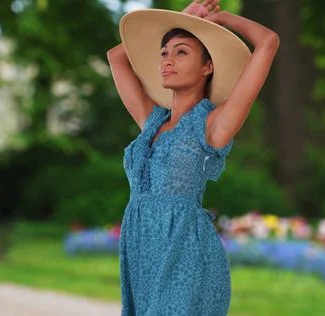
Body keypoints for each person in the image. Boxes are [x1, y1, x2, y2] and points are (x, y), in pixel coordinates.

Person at [107, 0, 278, 315]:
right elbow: (116, 58)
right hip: (141, 251)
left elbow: (268, 42)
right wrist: (181, 18)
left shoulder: (213, 125)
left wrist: (221, 19)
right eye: (163, 53)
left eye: (181, 52)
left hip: (185, 252)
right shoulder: (152, 121)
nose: (167, 60)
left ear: (207, 67)